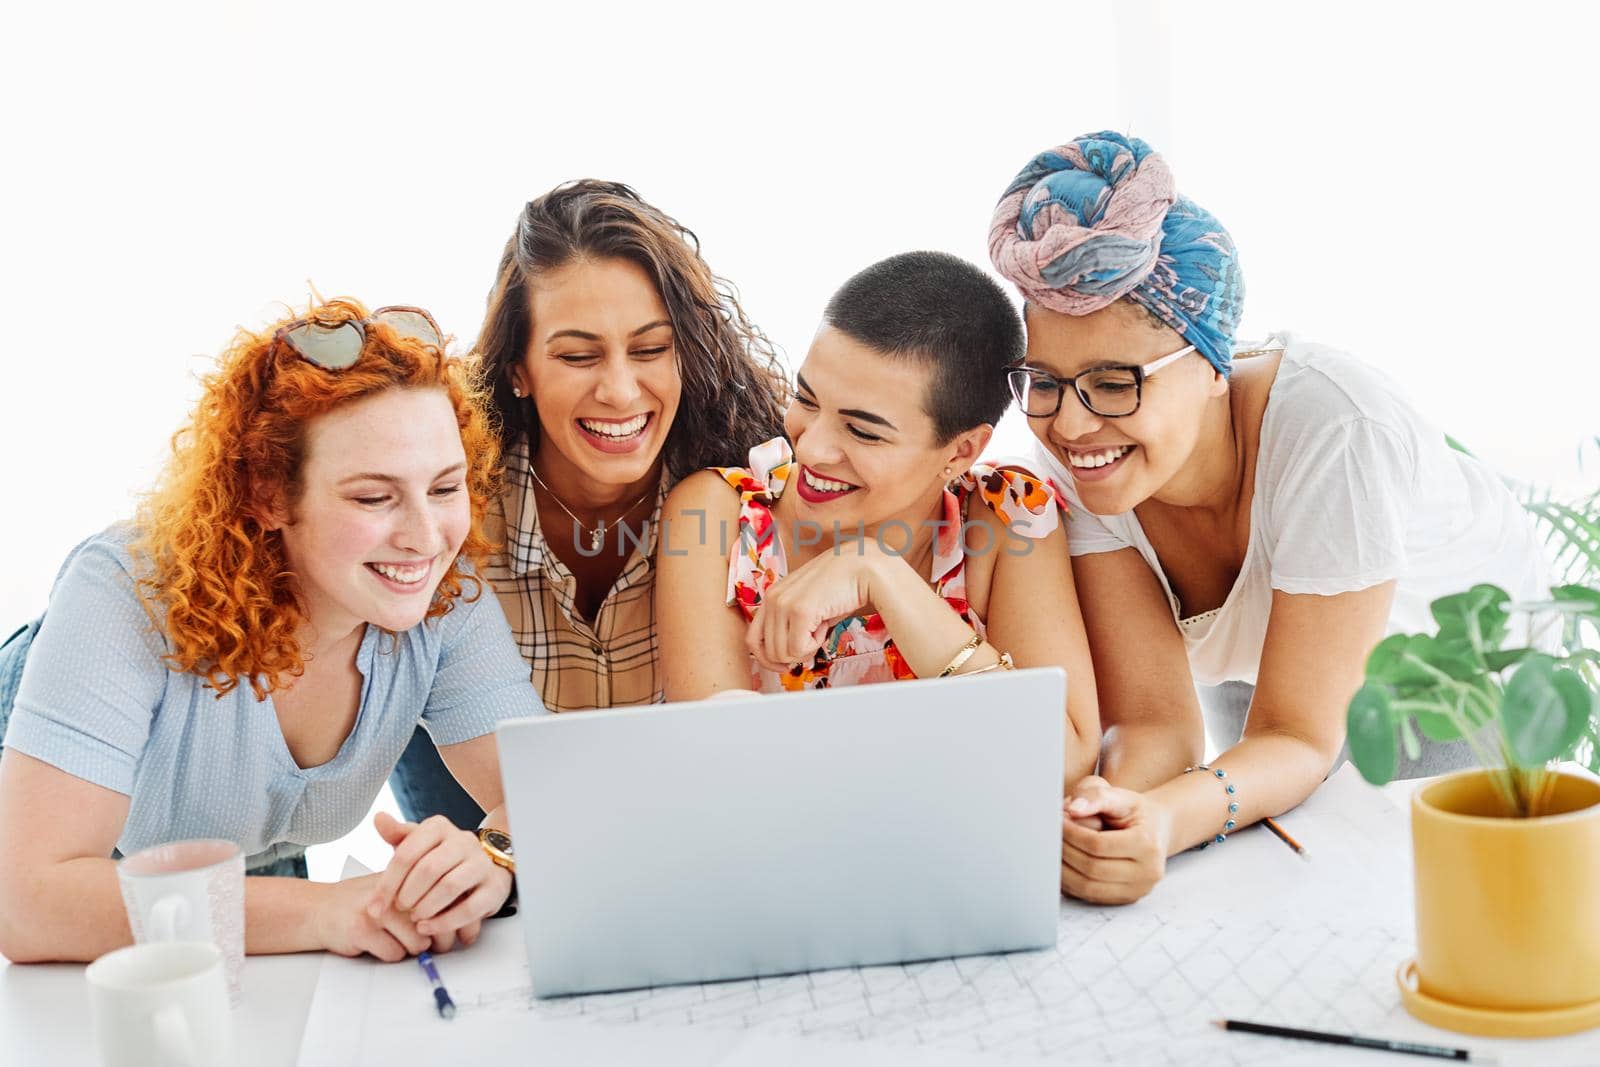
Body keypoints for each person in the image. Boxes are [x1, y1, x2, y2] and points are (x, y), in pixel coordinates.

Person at [987, 131, 1550, 904]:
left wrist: (1167, 818)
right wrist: (1107, 813)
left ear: (1215, 365)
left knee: (1428, 897)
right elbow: (1160, 726)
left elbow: (1296, 735)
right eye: (1044, 380)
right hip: (1268, 666)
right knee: (1275, 869)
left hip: (1449, 661)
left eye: (1116, 382)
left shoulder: (1336, 432)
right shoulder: (1081, 456)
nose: (1074, 427)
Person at [0, 299, 538, 963]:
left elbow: (552, 798)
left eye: (445, 487)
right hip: (61, 819)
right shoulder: (121, 591)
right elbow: (29, 904)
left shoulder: (440, 588)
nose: (426, 538)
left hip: (243, 852)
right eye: (374, 497)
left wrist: (495, 857)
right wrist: (332, 908)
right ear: (269, 494)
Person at [387, 180, 789, 828]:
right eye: (578, 355)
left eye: (652, 348)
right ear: (518, 368)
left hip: (677, 812)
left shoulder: (742, 498)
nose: (622, 390)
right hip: (474, 801)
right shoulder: (452, 503)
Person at [656, 251, 1100, 786]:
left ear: (960, 452)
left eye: (863, 431)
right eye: (806, 399)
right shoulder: (718, 516)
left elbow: (1068, 758)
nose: (814, 450)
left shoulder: (1009, 517)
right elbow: (717, 765)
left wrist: (879, 573)